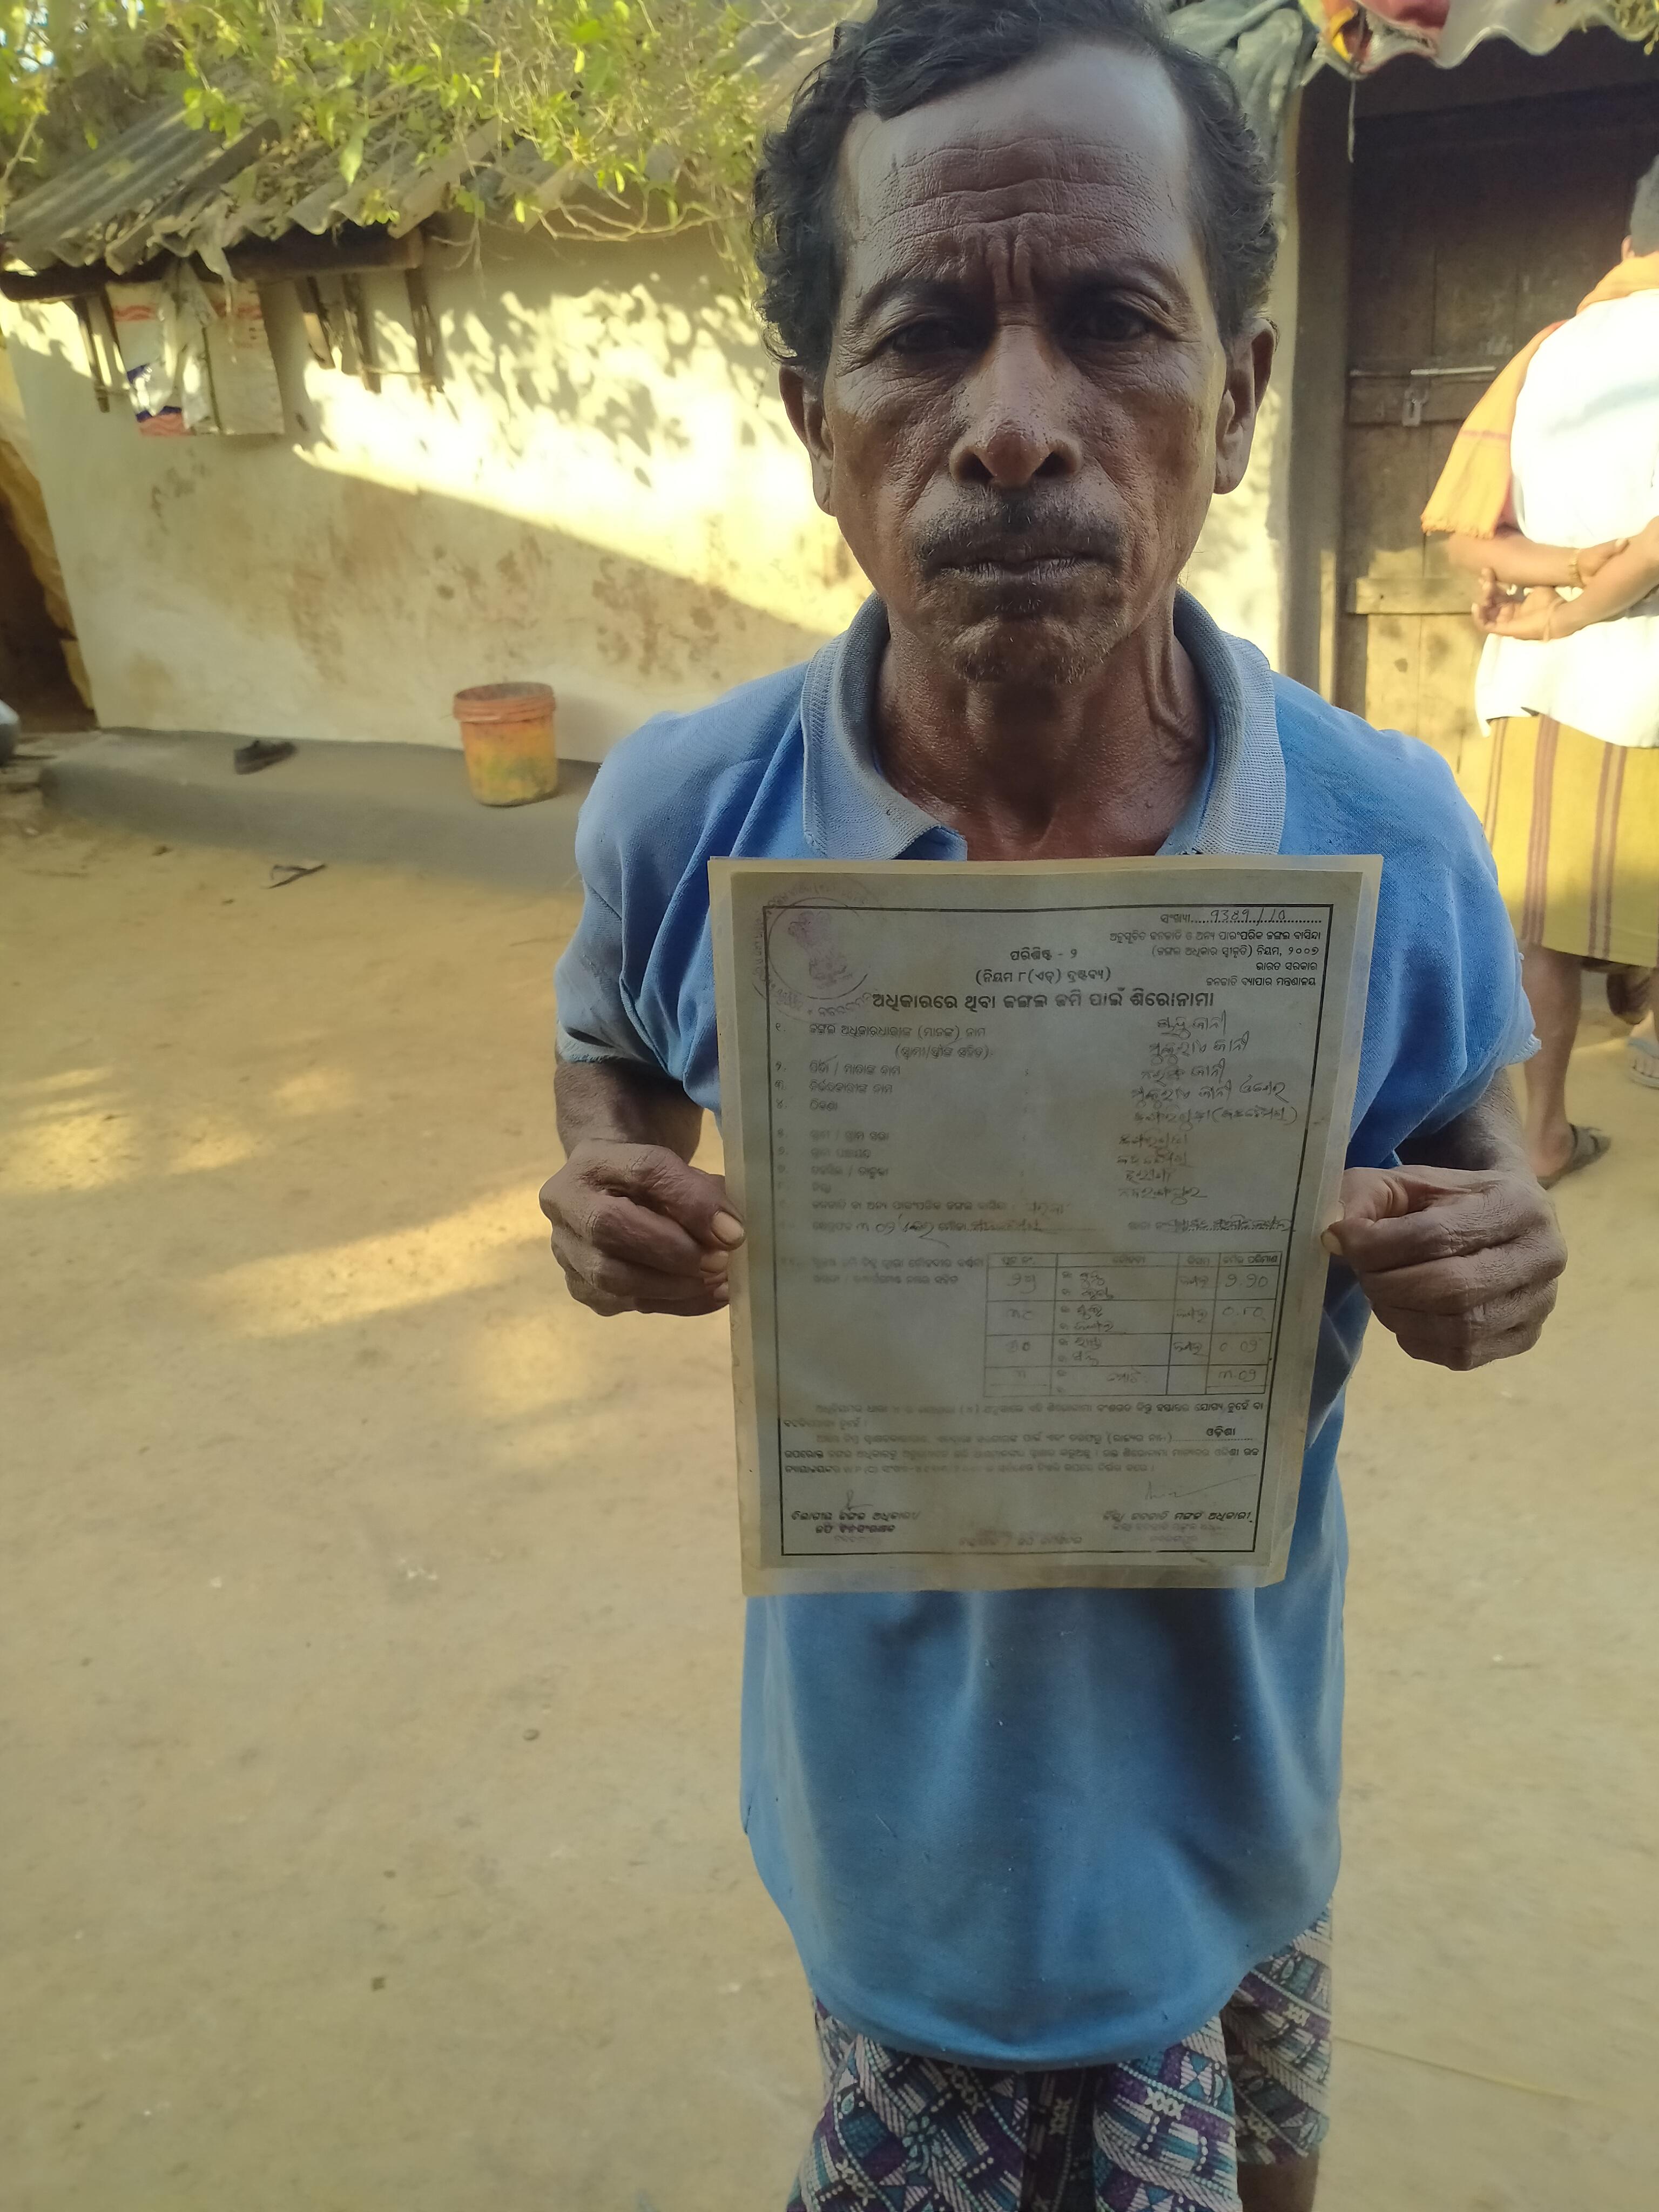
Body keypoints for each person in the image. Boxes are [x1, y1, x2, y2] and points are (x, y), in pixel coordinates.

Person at [541, 5, 1565, 2205]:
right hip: (896, 1845)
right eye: (924, 336)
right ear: (816, 423)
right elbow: (611, 1032)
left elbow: (1482, 1150)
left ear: (1241, 393)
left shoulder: (1386, 834)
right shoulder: (685, 818)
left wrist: (1496, 1249)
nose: (1014, 428)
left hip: (1232, 1809)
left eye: (1114, 321)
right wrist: (609, 1166)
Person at [1427, 157, 1659, 1174]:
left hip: (1539, 685)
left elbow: (1464, 536)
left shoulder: (1548, 349)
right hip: (1640, 676)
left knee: (1540, 925)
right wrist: (1583, 607)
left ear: (1626, 247)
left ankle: (1545, 1131)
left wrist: (1558, 594)